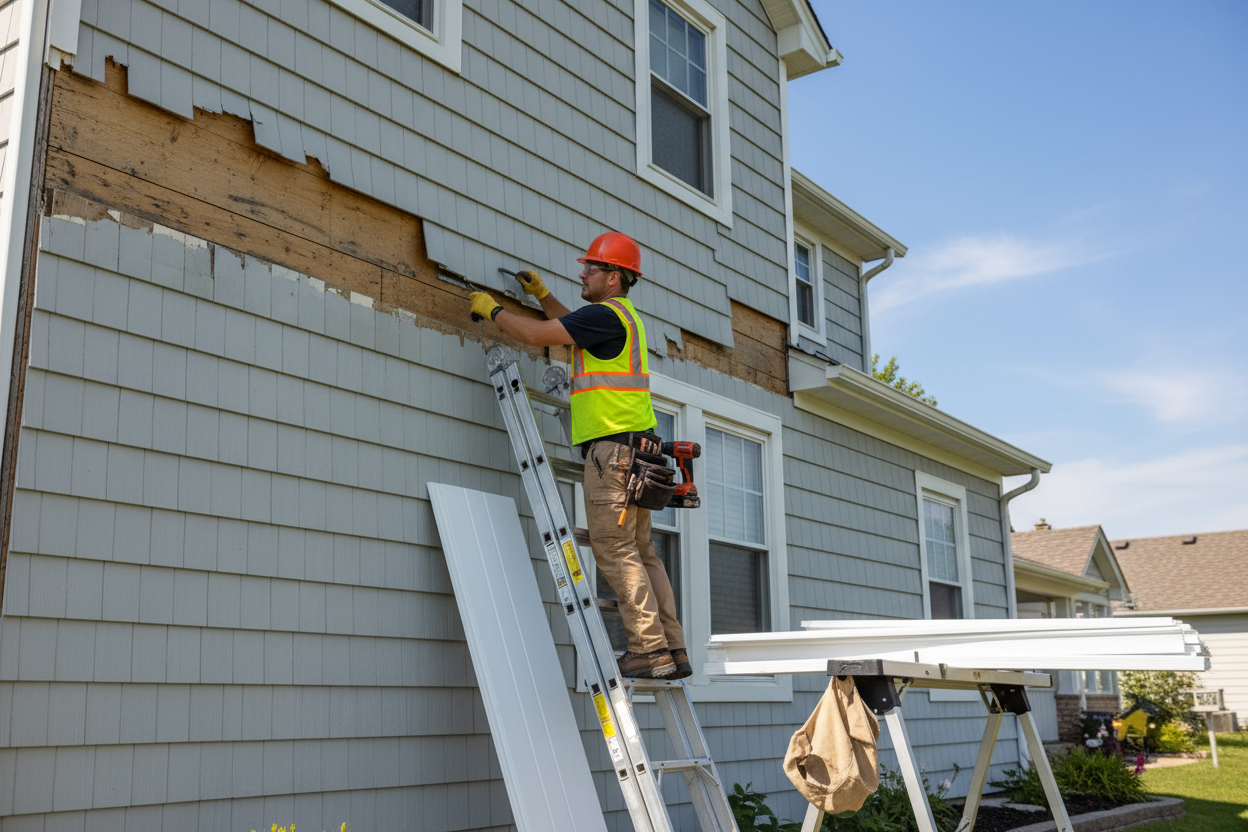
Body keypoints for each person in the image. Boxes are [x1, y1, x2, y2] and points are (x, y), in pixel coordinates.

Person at [468, 232, 688, 680]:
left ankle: (648, 650)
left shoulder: (606, 317)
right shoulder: (620, 318)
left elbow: (534, 334)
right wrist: (544, 295)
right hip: (638, 450)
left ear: (614, 276)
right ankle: (673, 647)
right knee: (643, 551)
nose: (582, 273)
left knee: (613, 548)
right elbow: (571, 327)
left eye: (590, 268)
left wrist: (492, 309)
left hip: (613, 452)